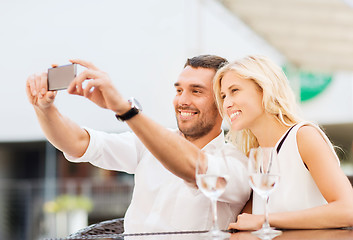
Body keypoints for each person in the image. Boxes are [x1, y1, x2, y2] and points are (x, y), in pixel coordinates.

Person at [26, 55, 251, 233]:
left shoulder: (236, 164)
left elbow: (194, 168)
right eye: (179, 90)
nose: (183, 100)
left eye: (196, 91)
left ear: (223, 103)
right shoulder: (146, 143)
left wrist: (125, 109)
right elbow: (78, 143)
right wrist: (44, 108)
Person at [210, 55, 353, 230]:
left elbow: (348, 210)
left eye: (235, 90)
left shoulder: (303, 136)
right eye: (223, 96)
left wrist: (265, 220)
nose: (227, 104)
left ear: (264, 89)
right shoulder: (255, 155)